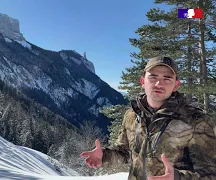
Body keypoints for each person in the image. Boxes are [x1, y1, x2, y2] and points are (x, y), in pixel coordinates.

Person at [80, 56, 216, 180]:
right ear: (142, 81)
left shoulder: (196, 120)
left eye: (167, 78)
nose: (158, 84)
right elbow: (124, 152)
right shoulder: (132, 115)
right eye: (153, 77)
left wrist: (178, 178)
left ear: (176, 85)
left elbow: (211, 173)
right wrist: (104, 156)